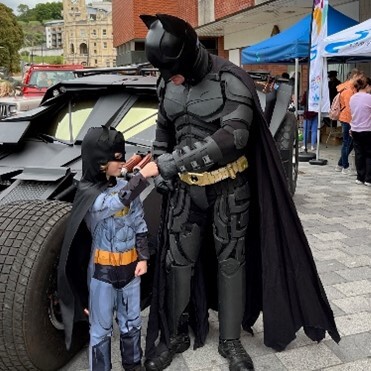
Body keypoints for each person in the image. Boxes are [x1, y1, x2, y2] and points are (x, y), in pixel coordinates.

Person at [140, 13, 340, 371]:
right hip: (186, 192)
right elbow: (162, 136)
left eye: (175, 70)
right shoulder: (168, 83)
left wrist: (172, 163)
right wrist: (162, 170)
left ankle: (230, 341)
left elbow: (233, 137)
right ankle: (175, 334)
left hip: (229, 186)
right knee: (178, 263)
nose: (173, 79)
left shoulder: (230, 79)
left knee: (231, 263)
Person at [57, 126, 159, 371]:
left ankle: (133, 364)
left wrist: (143, 257)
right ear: (100, 163)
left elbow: (139, 223)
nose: (121, 162)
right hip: (102, 273)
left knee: (132, 322)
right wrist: (141, 177)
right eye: (117, 159)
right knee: (100, 329)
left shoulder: (125, 186)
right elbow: (113, 203)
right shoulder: (90, 194)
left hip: (130, 269)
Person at [335, 68, 361, 175]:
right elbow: (350, 107)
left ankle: (340, 164)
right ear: (354, 77)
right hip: (348, 118)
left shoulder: (346, 88)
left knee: (349, 143)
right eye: (359, 78)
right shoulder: (348, 90)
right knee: (347, 143)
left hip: (346, 118)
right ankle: (345, 166)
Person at [349, 74, 371, 186]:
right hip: (367, 129)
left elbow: (353, 114)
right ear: (367, 86)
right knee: (369, 154)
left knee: (359, 154)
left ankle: (359, 177)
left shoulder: (352, 98)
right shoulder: (369, 98)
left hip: (355, 129)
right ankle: (368, 179)